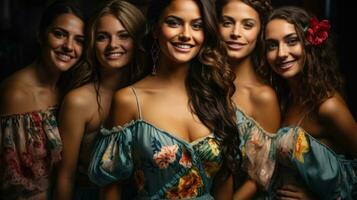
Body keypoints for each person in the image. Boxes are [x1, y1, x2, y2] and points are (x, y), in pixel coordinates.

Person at [88, 0, 241, 199]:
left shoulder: (216, 94)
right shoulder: (129, 100)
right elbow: (111, 190)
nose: (186, 34)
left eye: (197, 25)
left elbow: (224, 183)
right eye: (174, 22)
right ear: (155, 29)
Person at [53, 0, 147, 199]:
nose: (113, 45)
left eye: (123, 36)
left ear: (137, 41)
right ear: (92, 43)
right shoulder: (79, 101)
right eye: (102, 37)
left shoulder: (148, 91)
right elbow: (64, 178)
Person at [263, 6, 357, 199]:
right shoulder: (283, 98)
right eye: (272, 45)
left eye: (291, 41)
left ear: (309, 44)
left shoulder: (328, 106)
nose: (281, 53)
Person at [0, 1, 85, 199]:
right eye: (59, 34)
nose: (69, 46)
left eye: (79, 40)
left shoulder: (70, 87)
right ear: (41, 34)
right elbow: (17, 188)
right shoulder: (16, 93)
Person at [214, 0, 280, 199]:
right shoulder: (201, 82)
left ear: (260, 33)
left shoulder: (263, 96)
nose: (236, 32)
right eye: (227, 23)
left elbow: (260, 175)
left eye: (248, 25)